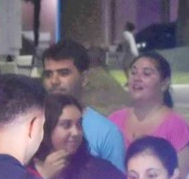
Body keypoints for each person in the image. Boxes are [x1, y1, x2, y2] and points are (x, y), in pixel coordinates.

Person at [39, 39, 126, 170]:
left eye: (63, 73)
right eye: (48, 74)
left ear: (84, 78)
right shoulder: (32, 124)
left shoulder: (106, 132)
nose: (54, 81)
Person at [109, 51, 189, 175]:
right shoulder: (114, 120)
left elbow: (183, 178)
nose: (137, 78)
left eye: (146, 73)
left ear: (164, 83)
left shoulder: (177, 127)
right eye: (133, 73)